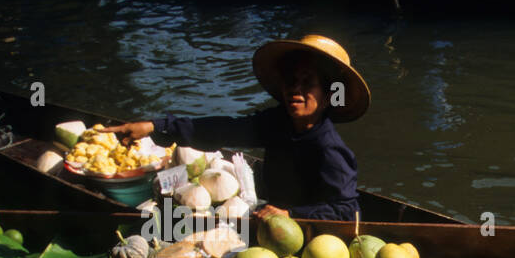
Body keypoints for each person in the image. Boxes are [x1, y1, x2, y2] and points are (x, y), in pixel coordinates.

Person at [98, 34, 369, 221]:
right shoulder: (277, 123)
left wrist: (292, 216)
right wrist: (155, 126)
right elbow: (223, 130)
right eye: (291, 80)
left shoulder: (329, 150)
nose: (295, 90)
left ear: (329, 94)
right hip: (269, 221)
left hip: (304, 238)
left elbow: (347, 210)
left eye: (307, 82)